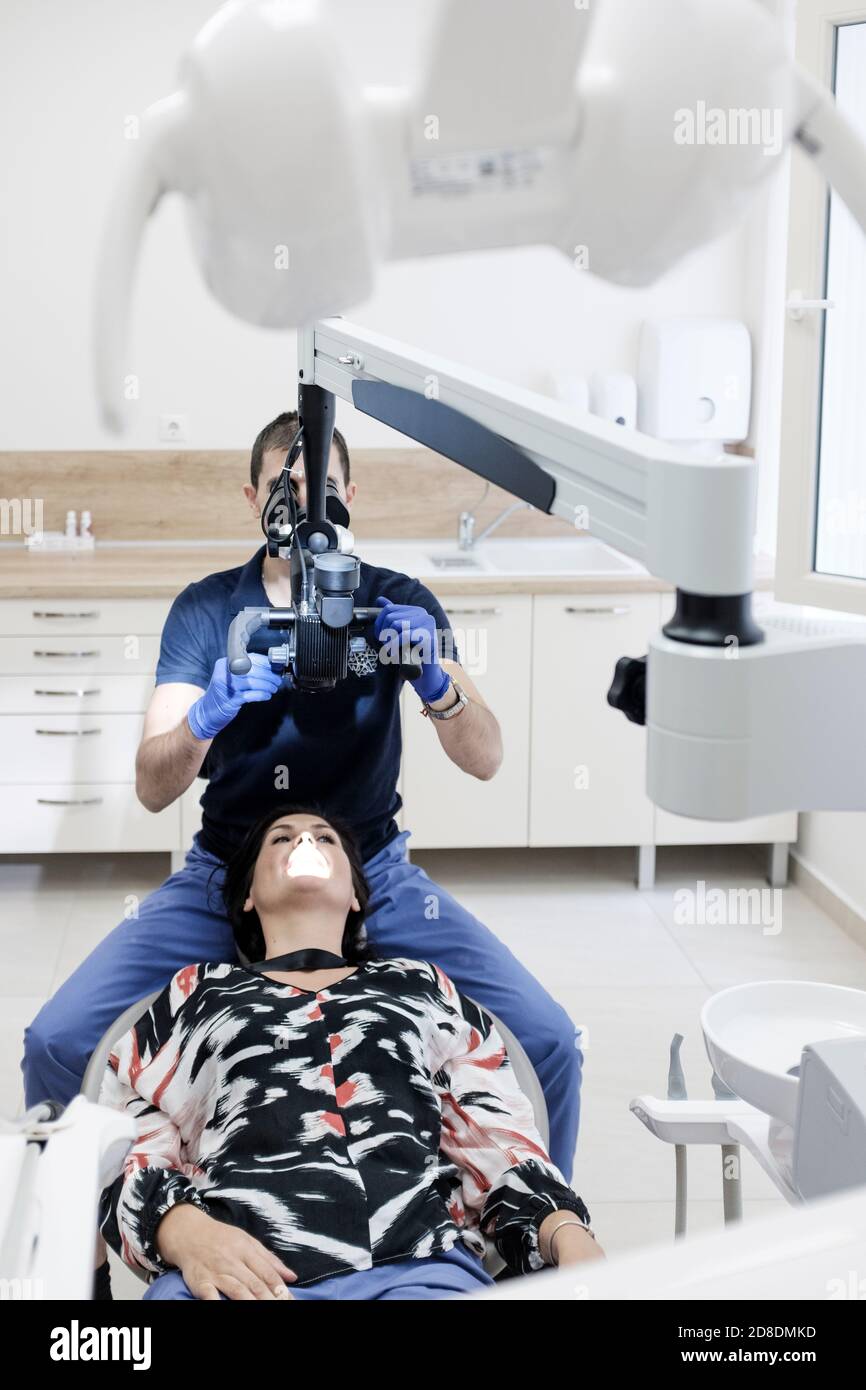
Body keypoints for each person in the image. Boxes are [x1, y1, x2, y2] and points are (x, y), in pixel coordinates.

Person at [22, 411, 582, 1296]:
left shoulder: (401, 599)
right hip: (228, 863)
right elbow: (151, 784)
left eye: (319, 488)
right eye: (281, 487)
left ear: (350, 497)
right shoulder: (210, 610)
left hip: (373, 863)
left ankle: (524, 1245)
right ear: (252, 497)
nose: (300, 505)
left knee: (548, 1041)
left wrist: (434, 679)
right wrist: (206, 715)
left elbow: (485, 756)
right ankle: (75, 1275)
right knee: (57, 1042)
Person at [98, 806, 602, 1301]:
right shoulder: (197, 993)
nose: (303, 844)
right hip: (239, 1274)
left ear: (356, 897)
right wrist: (181, 1229)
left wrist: (565, 1231)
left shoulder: (420, 986)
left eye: (324, 838)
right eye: (281, 838)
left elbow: (492, 1133)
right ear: (249, 895)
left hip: (417, 1267)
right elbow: (129, 1140)